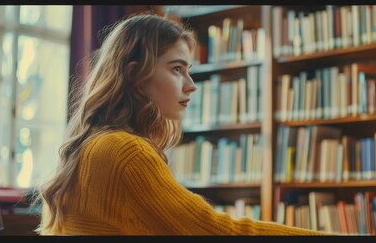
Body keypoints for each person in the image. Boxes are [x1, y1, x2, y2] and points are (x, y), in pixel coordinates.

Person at [35, 12, 330, 235]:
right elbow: (218, 231)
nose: (191, 85)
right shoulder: (124, 150)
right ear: (135, 75)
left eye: (189, 71)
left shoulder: (96, 143)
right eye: (177, 69)